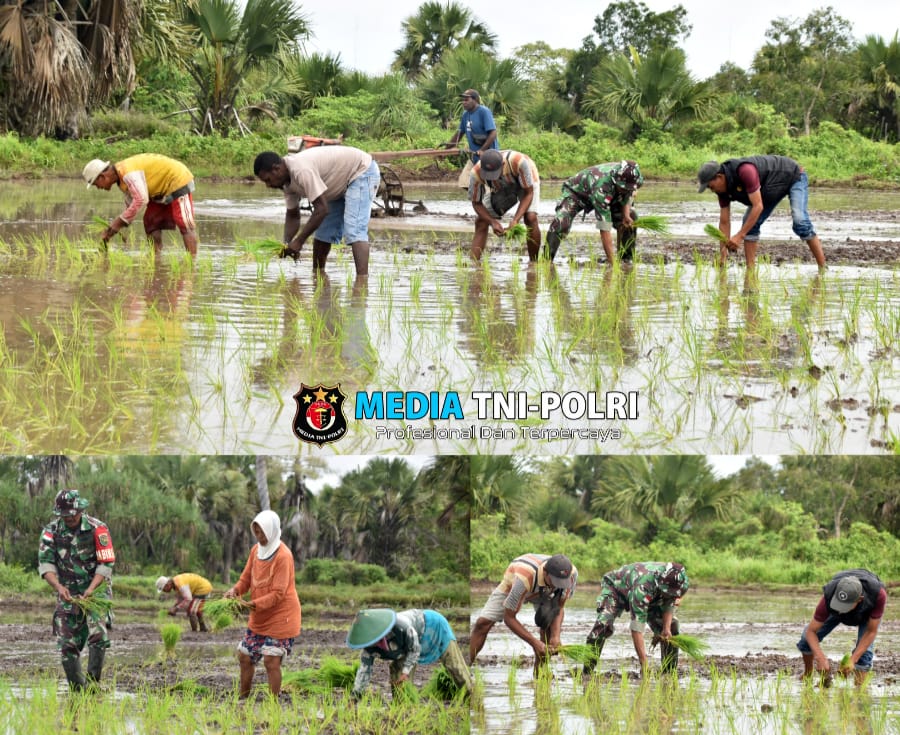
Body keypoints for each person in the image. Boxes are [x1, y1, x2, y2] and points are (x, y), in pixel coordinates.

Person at [253, 147, 380, 275]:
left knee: (354, 229)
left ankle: (362, 284)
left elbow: (322, 209)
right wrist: (287, 244)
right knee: (323, 234)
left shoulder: (301, 170)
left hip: (361, 172)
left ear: (277, 169)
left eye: (268, 180)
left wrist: (299, 241)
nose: (268, 185)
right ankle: (318, 277)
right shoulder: (286, 184)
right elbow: (293, 216)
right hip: (336, 184)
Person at [37, 489, 115, 691]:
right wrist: (58, 587)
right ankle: (77, 691)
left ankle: (92, 685)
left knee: (98, 636)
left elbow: (106, 564)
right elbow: (46, 564)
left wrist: (90, 589)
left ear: (80, 509)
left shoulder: (98, 528)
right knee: (66, 645)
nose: (70, 519)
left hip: (96, 590)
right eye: (65, 516)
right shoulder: (51, 531)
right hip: (67, 591)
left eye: (73, 514)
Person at [223, 510, 301, 699]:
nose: (259, 536)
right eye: (256, 532)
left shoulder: (283, 556)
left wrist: (249, 605)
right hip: (259, 616)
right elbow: (246, 579)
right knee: (245, 656)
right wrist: (235, 591)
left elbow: (278, 593)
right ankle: (243, 697)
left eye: (262, 532)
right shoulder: (256, 551)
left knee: (271, 660)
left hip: (282, 616)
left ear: (272, 531)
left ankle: (274, 704)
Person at [697, 155, 826, 269]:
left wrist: (739, 236)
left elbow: (757, 206)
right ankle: (750, 272)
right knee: (750, 225)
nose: (711, 190)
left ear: (719, 177)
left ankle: (823, 268)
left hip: (793, 176)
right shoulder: (722, 191)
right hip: (769, 189)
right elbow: (724, 222)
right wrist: (723, 257)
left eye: (710, 186)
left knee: (800, 221)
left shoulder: (745, 171)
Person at [470, 553, 577, 676]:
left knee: (548, 626)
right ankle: (463, 668)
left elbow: (559, 607)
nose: (559, 585)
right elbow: (509, 618)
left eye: (562, 583)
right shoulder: (524, 577)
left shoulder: (571, 575)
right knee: (482, 624)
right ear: (546, 573)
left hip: (546, 591)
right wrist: (534, 643)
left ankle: (540, 673)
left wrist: (556, 636)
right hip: (515, 585)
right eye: (556, 581)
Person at [584, 562, 690, 676]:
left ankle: (669, 673)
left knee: (672, 627)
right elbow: (637, 627)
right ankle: (587, 672)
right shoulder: (644, 587)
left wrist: (666, 628)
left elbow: (669, 601)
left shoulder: (680, 582)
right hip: (616, 589)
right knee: (603, 625)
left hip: (654, 593)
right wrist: (644, 663)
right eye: (667, 592)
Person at [82, 154, 198, 256]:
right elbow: (130, 208)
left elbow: (141, 200)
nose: (98, 188)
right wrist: (114, 230)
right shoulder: (121, 179)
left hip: (177, 178)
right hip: (159, 189)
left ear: (103, 176)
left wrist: (118, 223)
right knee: (151, 221)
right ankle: (156, 257)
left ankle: (192, 262)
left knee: (184, 222)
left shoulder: (128, 173)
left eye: (96, 184)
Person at [347, 608, 473, 699]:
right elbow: (364, 672)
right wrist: (355, 697)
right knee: (397, 669)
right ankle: (403, 706)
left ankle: (472, 697)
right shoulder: (368, 649)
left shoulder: (401, 626)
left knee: (454, 665)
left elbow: (414, 650)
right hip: (406, 645)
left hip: (433, 626)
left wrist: (406, 672)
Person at [797, 569, 886, 686]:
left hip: (866, 614)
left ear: (859, 599)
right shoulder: (829, 594)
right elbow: (811, 631)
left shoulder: (877, 595)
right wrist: (820, 657)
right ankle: (808, 674)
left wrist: (852, 660)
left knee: (864, 654)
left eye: (845, 606)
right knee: (805, 640)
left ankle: (859, 692)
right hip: (833, 612)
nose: (841, 609)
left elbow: (871, 632)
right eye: (839, 603)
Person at [545, 161, 644, 263]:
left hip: (611, 192)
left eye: (627, 188)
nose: (625, 190)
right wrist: (612, 262)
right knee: (562, 222)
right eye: (623, 187)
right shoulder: (602, 187)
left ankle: (625, 260)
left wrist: (626, 215)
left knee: (632, 217)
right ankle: (546, 260)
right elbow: (604, 228)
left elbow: (628, 194)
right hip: (576, 192)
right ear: (616, 181)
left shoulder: (636, 179)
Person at [468, 149, 541, 261]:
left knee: (530, 217)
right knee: (481, 221)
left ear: (503, 165)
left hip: (526, 182)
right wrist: (492, 222)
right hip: (502, 186)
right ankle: (473, 264)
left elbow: (528, 193)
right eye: (488, 175)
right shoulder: (475, 173)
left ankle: (534, 263)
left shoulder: (519, 162)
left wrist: (515, 220)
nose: (491, 177)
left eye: (494, 174)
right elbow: (476, 203)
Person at [444, 89, 500, 188]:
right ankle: (478, 199)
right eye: (463, 100)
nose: (463, 102)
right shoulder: (465, 115)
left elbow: (493, 133)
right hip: (474, 157)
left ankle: (485, 199)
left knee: (488, 187)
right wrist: (445, 151)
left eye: (466, 100)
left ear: (475, 100)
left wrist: (482, 150)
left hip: (488, 157)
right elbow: (459, 134)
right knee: (464, 183)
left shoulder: (484, 112)